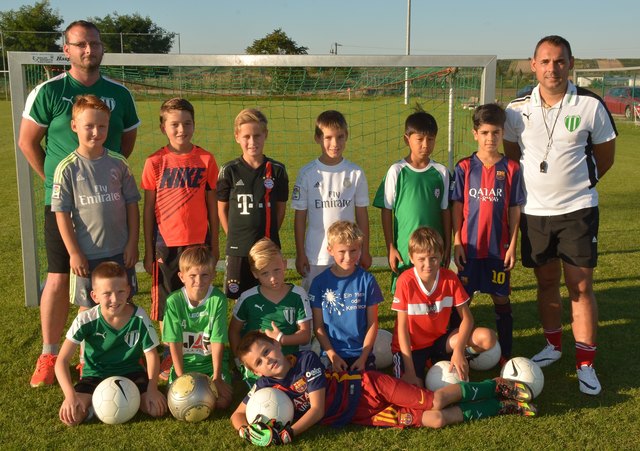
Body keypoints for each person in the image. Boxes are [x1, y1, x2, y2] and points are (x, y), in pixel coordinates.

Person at [19, 20, 140, 387]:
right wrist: (60, 187)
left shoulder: (119, 93)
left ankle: (116, 353)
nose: (89, 50)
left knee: (117, 279)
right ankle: (50, 352)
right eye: (80, 44)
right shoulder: (48, 91)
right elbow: (28, 143)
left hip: (111, 208)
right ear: (66, 49)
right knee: (58, 277)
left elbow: (126, 142)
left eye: (95, 43)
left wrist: (104, 178)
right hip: (66, 209)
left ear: (102, 48)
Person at [503, 35, 617, 395]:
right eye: (546, 61)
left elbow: (605, 156)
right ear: (533, 64)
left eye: (560, 61)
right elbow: (511, 156)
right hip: (534, 214)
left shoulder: (590, 105)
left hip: (577, 211)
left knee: (580, 287)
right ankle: (553, 346)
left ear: (571, 64)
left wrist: (579, 186)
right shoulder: (516, 108)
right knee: (546, 283)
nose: (553, 68)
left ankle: (586, 364)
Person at [230, 331, 536, 446]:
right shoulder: (263, 386)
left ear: (276, 345)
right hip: (360, 415)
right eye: (259, 361)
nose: (267, 360)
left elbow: (319, 408)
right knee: (437, 420)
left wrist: (290, 433)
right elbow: (237, 414)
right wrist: (247, 430)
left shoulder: (304, 360)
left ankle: (494, 385)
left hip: (367, 388)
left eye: (267, 351)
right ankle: (502, 405)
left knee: (434, 402)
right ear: (254, 370)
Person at [140, 98, 219, 379]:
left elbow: (212, 206)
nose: (181, 129)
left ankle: (196, 348)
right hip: (166, 244)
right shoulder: (155, 162)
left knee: (196, 297)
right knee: (169, 302)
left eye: (187, 123)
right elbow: (148, 210)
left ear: (194, 125)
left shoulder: (206, 159)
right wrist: (148, 250)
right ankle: (167, 353)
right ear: (163, 127)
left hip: (198, 243)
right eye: (174, 124)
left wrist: (215, 244)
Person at [51, 95, 140, 329]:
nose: (96, 132)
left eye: (102, 126)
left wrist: (132, 244)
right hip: (87, 254)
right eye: (88, 126)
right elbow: (61, 213)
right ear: (74, 126)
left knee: (123, 301)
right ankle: (86, 359)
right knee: (88, 307)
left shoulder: (119, 163)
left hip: (120, 250)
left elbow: (132, 204)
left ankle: (125, 354)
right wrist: (74, 252)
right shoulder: (67, 168)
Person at [451, 104, 525, 363]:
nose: (490, 139)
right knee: (462, 301)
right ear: (475, 134)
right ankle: (450, 348)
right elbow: (457, 206)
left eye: (495, 133)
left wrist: (513, 244)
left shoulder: (512, 168)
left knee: (501, 298)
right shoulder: (464, 167)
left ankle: (506, 353)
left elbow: (515, 208)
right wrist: (457, 240)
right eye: (484, 133)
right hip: (469, 248)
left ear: (502, 133)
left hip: (497, 249)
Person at [54, 262, 166, 426]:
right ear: (95, 296)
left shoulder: (139, 317)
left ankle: (103, 405)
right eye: (107, 293)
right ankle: (93, 405)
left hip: (132, 374)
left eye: (120, 291)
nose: (115, 299)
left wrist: (152, 389)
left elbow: (151, 355)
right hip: (95, 375)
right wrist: (70, 396)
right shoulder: (85, 319)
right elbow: (61, 361)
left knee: (156, 409)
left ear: (128, 291)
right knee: (71, 418)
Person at [392, 227, 496, 386]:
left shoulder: (450, 278)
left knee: (488, 338)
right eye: (421, 259)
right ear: (411, 258)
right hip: (412, 347)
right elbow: (402, 329)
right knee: (414, 392)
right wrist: (410, 371)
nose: (428, 264)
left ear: (441, 256)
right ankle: (422, 366)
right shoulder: (405, 282)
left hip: (439, 341)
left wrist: (459, 351)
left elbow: (467, 319)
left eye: (433, 258)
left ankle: (452, 358)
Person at [373, 108, 451, 293]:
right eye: (420, 139)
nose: (425, 145)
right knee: (406, 291)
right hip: (405, 247)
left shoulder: (441, 172)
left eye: (430, 139)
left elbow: (445, 211)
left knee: (434, 291)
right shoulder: (396, 171)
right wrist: (391, 247)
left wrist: (447, 246)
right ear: (407, 139)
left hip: (434, 249)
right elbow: (386, 210)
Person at [292, 110, 371, 291]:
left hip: (348, 254)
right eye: (328, 138)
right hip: (316, 255)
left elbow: (362, 215)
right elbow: (300, 218)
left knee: (346, 301)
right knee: (315, 305)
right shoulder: (307, 174)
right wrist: (300, 253)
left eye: (340, 137)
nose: (334, 143)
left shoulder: (355, 173)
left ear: (346, 136)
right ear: (317, 138)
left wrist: (364, 250)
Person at [217, 109, 289, 300]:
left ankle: (266, 331)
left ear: (265, 135)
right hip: (237, 247)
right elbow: (222, 208)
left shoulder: (277, 170)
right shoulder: (229, 170)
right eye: (246, 136)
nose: (252, 141)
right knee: (238, 299)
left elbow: (280, 209)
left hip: (267, 246)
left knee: (268, 294)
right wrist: (232, 234)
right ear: (237, 137)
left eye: (257, 136)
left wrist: (270, 234)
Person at [229, 238, 312, 386]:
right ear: (255, 274)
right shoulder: (248, 298)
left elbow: (305, 335)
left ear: (285, 264)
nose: (273, 278)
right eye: (265, 274)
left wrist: (281, 338)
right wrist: (240, 359)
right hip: (261, 365)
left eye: (277, 270)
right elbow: (234, 331)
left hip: (290, 360)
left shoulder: (298, 295)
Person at [162, 245, 232, 409]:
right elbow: (175, 342)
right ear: (181, 276)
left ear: (213, 275)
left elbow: (217, 340)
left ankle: (221, 377)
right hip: (185, 365)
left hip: (210, 365)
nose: (199, 281)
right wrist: (180, 378)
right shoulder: (174, 301)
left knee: (223, 402)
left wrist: (217, 377)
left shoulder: (218, 299)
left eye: (204, 275)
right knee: (176, 401)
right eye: (192, 275)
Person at [309, 220, 383, 372]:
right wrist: (332, 355)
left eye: (353, 250)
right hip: (332, 354)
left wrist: (363, 357)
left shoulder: (367, 281)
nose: (348, 257)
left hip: (361, 353)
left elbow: (372, 324)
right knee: (332, 392)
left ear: (360, 248)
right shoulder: (319, 283)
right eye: (342, 252)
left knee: (366, 391)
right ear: (330, 250)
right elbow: (318, 326)